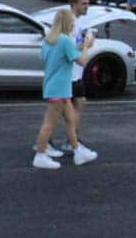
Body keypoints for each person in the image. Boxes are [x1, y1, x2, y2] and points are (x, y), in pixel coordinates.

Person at [33, 9, 97, 169]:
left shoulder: (50, 40)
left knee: (70, 120)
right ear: (68, 22)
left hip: (54, 84)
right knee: (49, 123)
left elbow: (53, 55)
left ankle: (78, 151)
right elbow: (81, 61)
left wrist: (81, 45)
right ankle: (40, 154)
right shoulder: (65, 40)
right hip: (60, 87)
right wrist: (86, 46)